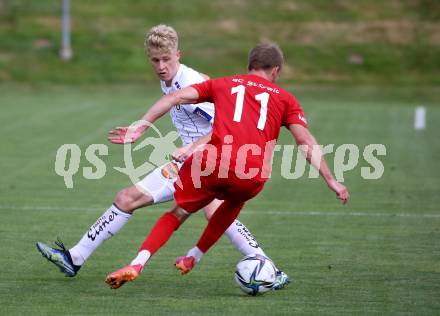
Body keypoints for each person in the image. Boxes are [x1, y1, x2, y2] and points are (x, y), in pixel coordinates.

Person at [36, 25, 289, 289]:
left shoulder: (190, 84)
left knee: (204, 211)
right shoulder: (169, 80)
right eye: (155, 60)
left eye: (166, 59)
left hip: (208, 163)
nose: (161, 66)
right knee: (131, 199)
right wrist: (145, 128)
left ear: (178, 54)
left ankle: (269, 267)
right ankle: (75, 257)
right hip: (192, 163)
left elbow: (224, 129)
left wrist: (191, 148)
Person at [104, 42, 349, 289]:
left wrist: (142, 126)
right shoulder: (286, 99)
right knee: (231, 205)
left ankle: (137, 263)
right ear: (275, 70)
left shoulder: (222, 84)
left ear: (249, 65)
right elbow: (304, 141)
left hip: (212, 165)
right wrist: (331, 180)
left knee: (178, 213)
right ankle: (193, 256)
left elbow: (175, 97)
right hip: (252, 175)